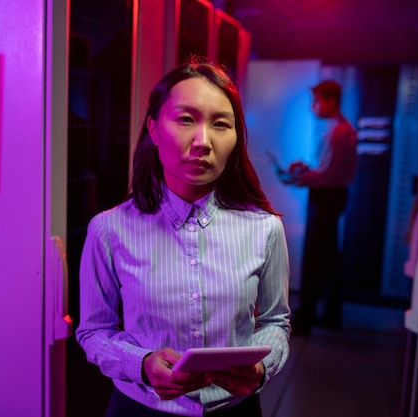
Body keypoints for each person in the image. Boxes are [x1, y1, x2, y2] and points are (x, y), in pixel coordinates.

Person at [75, 58, 291, 417]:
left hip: (234, 410)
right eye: (186, 119)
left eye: (221, 124)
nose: (203, 142)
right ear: (154, 129)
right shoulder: (109, 229)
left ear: (236, 139)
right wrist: (141, 363)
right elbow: (93, 331)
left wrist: (259, 370)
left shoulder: (264, 228)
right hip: (140, 409)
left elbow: (275, 323)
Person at [283, 80, 358, 336]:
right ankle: (329, 314)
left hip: (327, 196)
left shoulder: (339, 131)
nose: (313, 107)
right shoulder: (338, 129)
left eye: (316, 101)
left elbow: (326, 176)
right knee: (327, 256)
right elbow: (326, 170)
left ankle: (305, 319)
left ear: (331, 101)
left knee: (315, 257)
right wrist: (306, 170)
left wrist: (295, 177)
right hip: (330, 195)